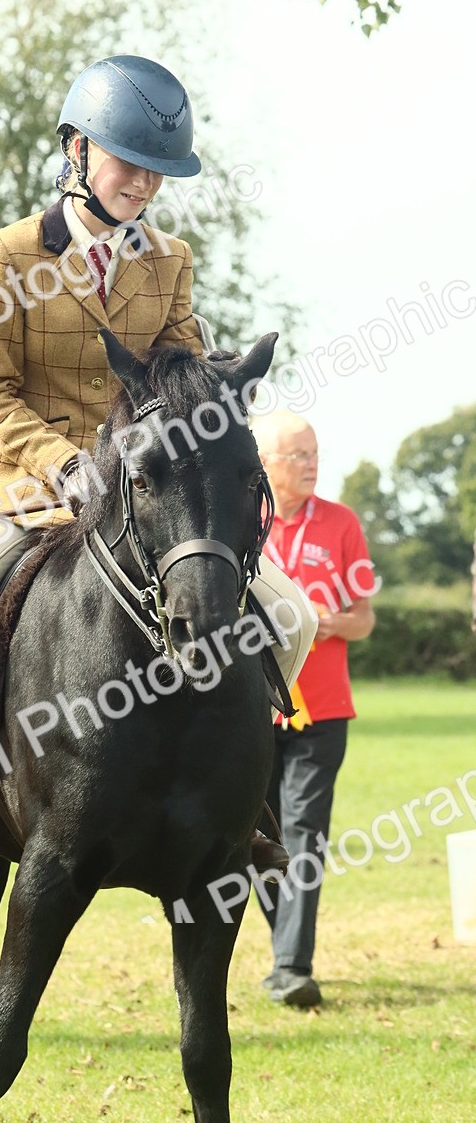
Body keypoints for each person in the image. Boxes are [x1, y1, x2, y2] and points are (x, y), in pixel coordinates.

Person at [0, 55, 317, 875]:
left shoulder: (168, 259)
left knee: (293, 617)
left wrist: (215, 385)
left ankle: (241, 795)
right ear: (76, 150)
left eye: (159, 172)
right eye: (130, 164)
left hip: (140, 496)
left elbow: (179, 377)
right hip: (20, 484)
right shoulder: (6, 257)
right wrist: (63, 463)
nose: (146, 185)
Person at [251, 409, 376, 1008]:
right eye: (297, 455)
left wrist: (321, 621)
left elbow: (364, 618)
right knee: (257, 838)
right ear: (266, 465)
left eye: (315, 452)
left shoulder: (342, 523)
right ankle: (286, 954)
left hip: (323, 713)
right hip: (252, 714)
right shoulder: (243, 521)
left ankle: (292, 967)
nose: (311, 463)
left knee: (306, 834)